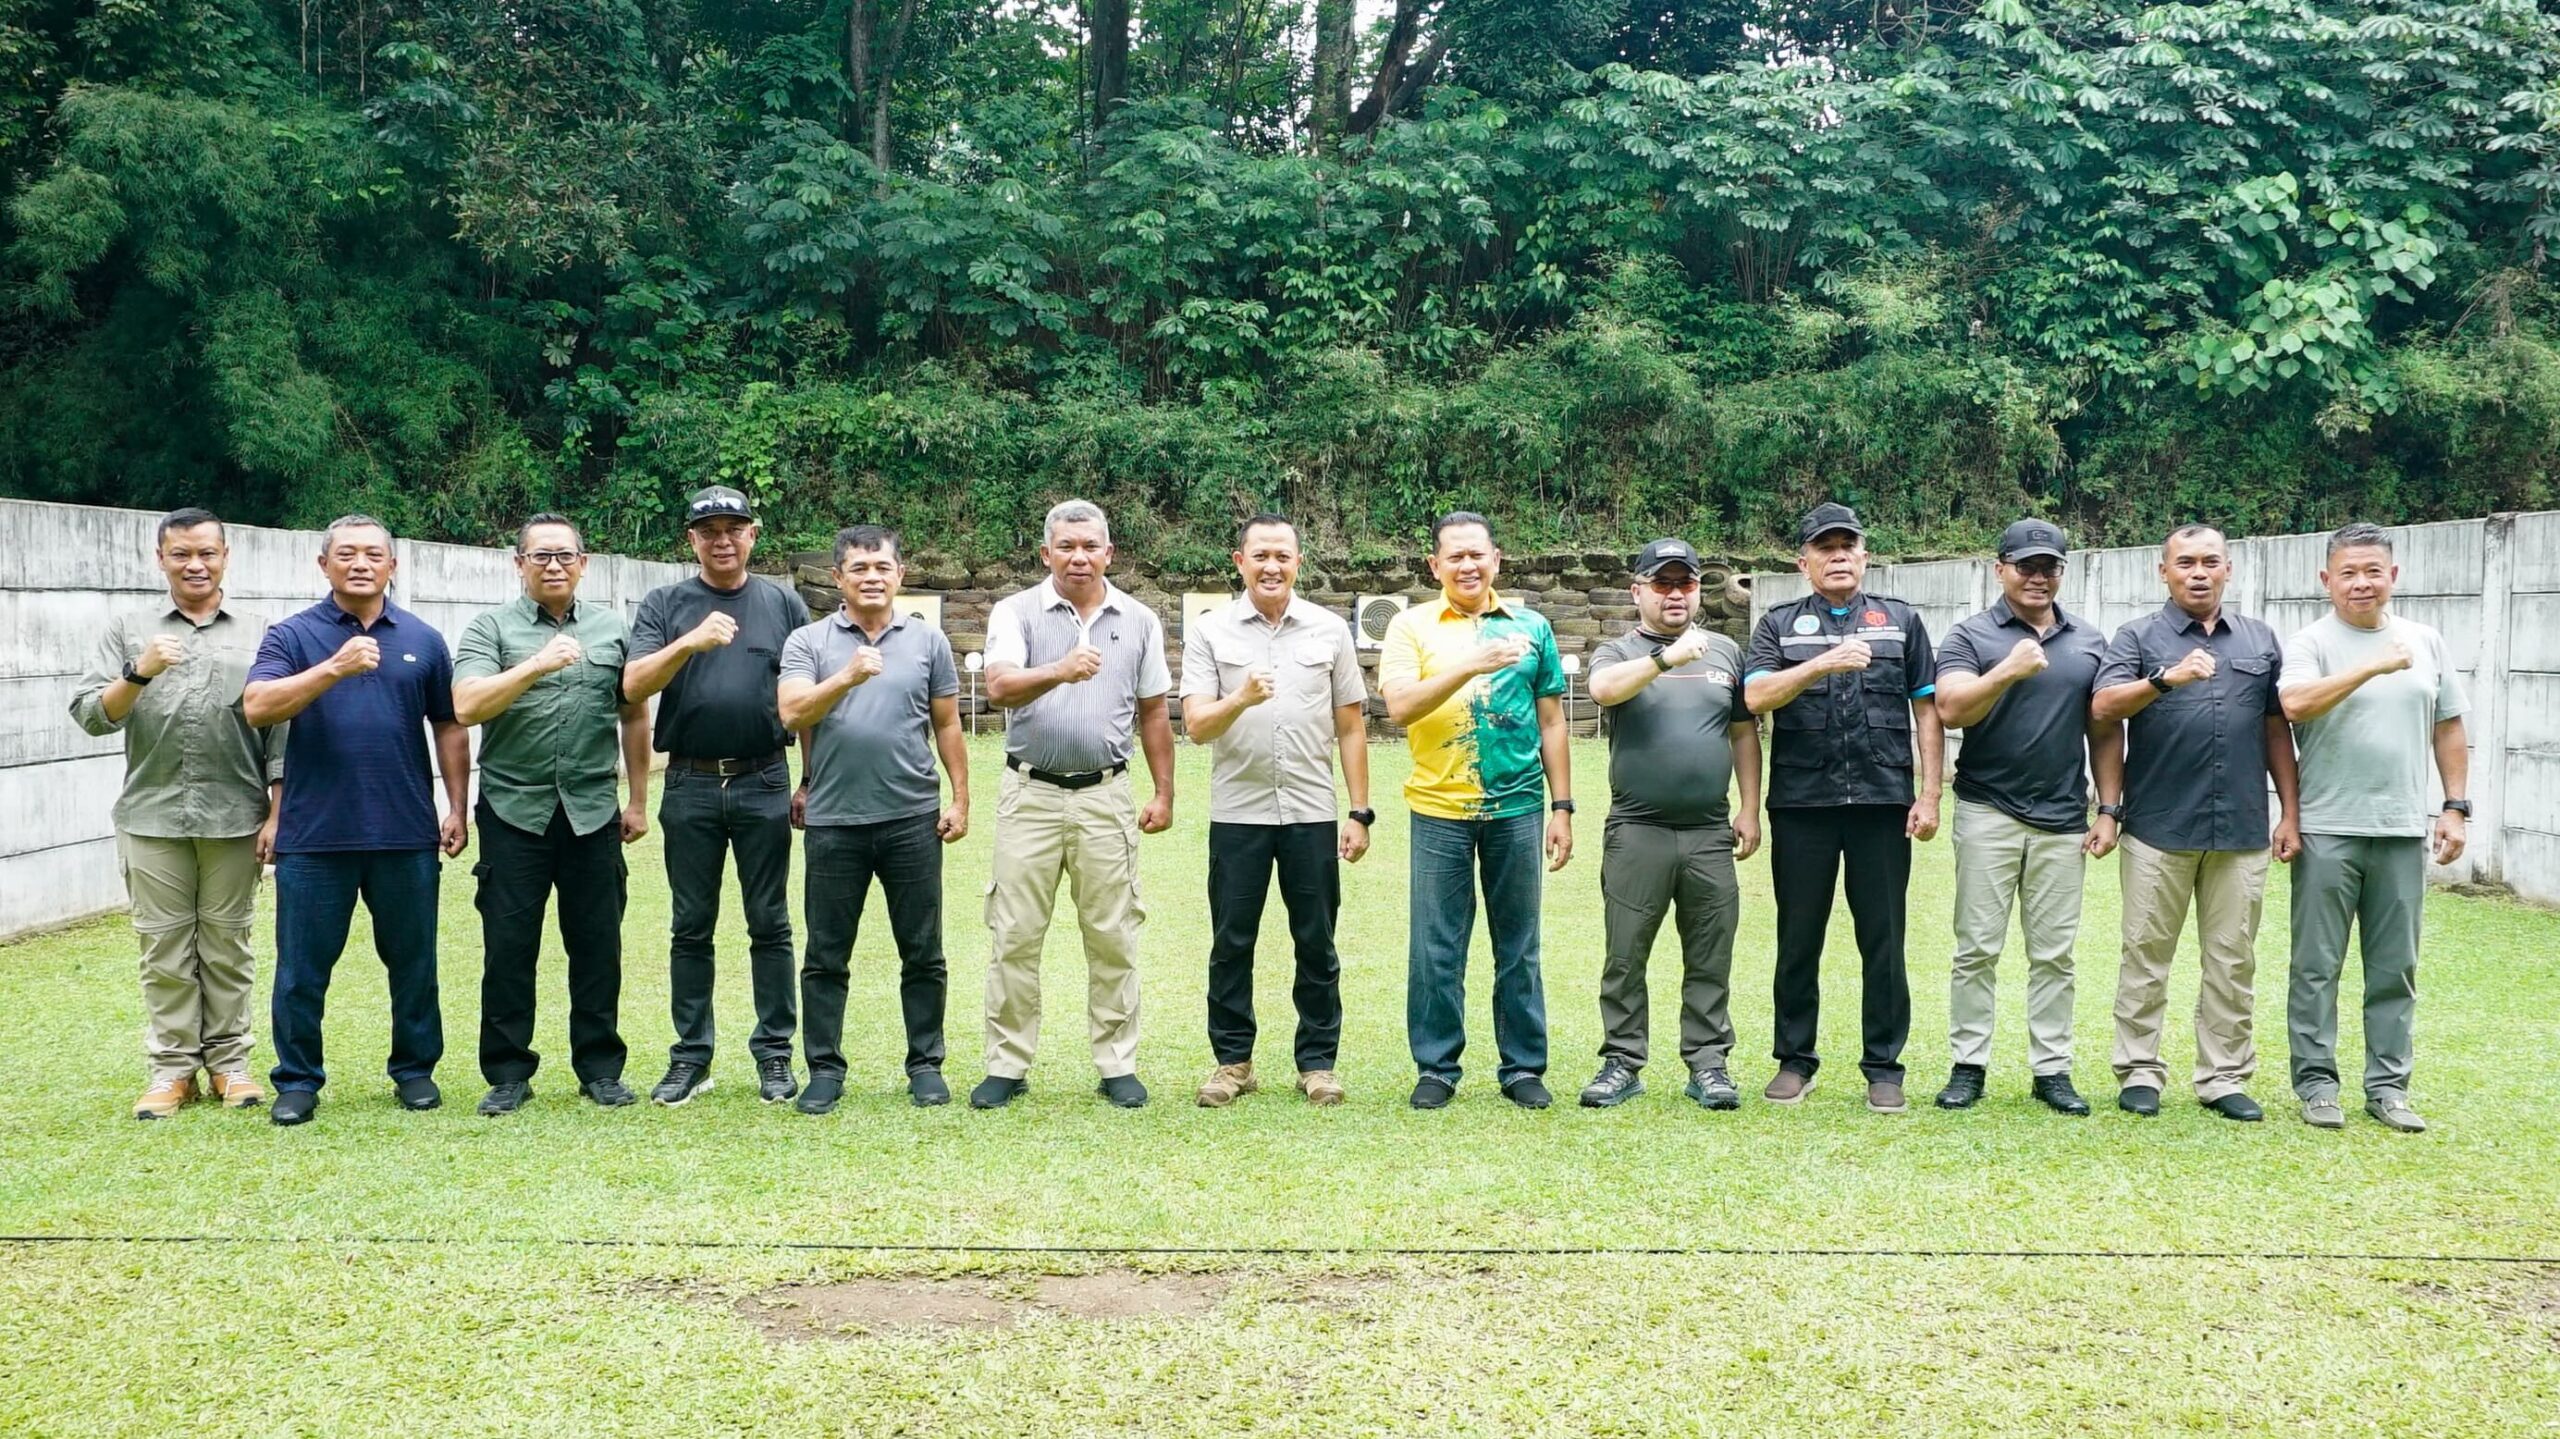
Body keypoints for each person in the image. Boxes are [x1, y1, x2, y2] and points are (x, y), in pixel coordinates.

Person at [244, 515, 470, 1127]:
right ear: (324, 565)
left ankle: (416, 1071)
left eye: (375, 554)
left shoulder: (423, 638)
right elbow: (257, 705)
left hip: (404, 833)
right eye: (346, 554)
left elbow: (448, 725)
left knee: (414, 961)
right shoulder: (292, 636)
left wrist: (456, 805)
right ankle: (297, 1081)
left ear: (393, 566)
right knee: (301, 969)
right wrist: (333, 669)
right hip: (315, 836)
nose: (361, 563)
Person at [71, 507, 285, 1119]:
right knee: (163, 948)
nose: (195, 565)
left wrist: (276, 814)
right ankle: (171, 1072)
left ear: (226, 557)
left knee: (227, 944)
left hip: (236, 815)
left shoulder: (264, 630)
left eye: (206, 553)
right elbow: (91, 715)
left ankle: (230, 1066)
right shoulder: (128, 628)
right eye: (181, 554)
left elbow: (281, 733)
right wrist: (139, 671)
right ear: (160, 559)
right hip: (151, 816)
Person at [2092, 524, 2302, 1121]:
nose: (2199, 572)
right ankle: (2138, 1070)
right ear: (2165, 571)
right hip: (2159, 826)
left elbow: (2274, 730)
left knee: (2233, 959)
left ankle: (2224, 1077)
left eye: (2211, 561)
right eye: (2185, 562)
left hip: (2240, 829)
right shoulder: (2138, 637)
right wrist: (2166, 678)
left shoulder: (2259, 640)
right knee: (2145, 954)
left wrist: (2290, 811)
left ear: (2228, 569)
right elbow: (2103, 708)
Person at [972, 499, 1177, 1109]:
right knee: (1013, 933)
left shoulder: (1139, 619)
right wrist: (1060, 670)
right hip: (1030, 793)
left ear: (1109, 553)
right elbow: (1002, 686)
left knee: (1113, 933)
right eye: (1066, 547)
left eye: (1091, 546)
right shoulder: (1016, 612)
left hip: (1106, 794)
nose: (1079, 557)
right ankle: (1007, 1063)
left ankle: (1117, 1062)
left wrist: (1163, 791)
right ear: (1046, 554)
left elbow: (1154, 711)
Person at [1743, 502, 1944, 1114]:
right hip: (1803, 804)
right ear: (1803, 562)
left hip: (1884, 803)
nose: (1837, 556)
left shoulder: (1900, 622)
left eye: (1847, 545)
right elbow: (1755, 697)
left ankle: (1884, 1067)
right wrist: (1821, 663)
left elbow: (1927, 710)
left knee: (1883, 938)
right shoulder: (1777, 626)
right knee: (1798, 937)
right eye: (1823, 547)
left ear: (1864, 554)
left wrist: (1930, 792)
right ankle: (1794, 1060)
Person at [452, 514, 651, 1116]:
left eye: (565, 555)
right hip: (514, 810)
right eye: (540, 556)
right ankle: (509, 1072)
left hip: (592, 811)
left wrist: (638, 799)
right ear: (519, 565)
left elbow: (634, 714)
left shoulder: (612, 628)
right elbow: (466, 706)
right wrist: (534, 664)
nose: (554, 565)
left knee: (597, 945)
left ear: (584, 563)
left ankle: (599, 1068)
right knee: (509, 946)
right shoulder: (491, 628)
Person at [622, 485, 813, 1107]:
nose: (722, 539)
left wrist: (809, 778)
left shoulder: (783, 603)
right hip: (690, 781)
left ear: (753, 535)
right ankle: (691, 1057)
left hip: (763, 778)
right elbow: (632, 685)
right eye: (709, 531)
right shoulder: (665, 604)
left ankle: (775, 1055)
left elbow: (807, 703)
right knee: (690, 927)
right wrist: (688, 643)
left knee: (771, 924)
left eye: (734, 528)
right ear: (692, 541)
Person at [2277, 523, 2469, 1134]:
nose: (2362, 583)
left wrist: (2455, 806)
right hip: (2328, 827)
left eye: (2373, 571)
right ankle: (2316, 1086)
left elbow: (2449, 727)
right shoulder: (2310, 642)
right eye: (2349, 573)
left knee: (2395, 967)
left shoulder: (2426, 641)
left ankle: (2388, 1088)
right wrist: (2372, 667)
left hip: (2400, 829)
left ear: (2394, 576)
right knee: (2316, 965)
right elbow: (2296, 705)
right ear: (2326, 580)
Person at [1379, 511, 1574, 1111]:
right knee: (1436, 944)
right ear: (1434, 566)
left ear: (1497, 560)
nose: (1467, 565)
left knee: (1519, 943)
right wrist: (1470, 663)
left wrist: (1561, 806)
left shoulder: (1532, 627)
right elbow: (1399, 708)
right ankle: (1437, 1067)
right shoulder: (1411, 628)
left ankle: (1522, 1068)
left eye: (1477, 555)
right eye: (1454, 557)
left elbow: (1552, 721)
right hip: (1439, 807)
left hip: (1517, 807)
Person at [1928, 519, 2123, 1117]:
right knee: (1977, 948)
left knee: (2055, 955)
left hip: (2064, 817)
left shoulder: (2090, 641)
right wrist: (2009, 668)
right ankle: (1969, 1065)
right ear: (2000, 570)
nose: (2038, 577)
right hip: (1988, 810)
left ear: (2062, 573)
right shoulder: (1971, 635)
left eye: (2050, 567)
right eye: (2025, 566)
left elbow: (2104, 730)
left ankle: (2052, 1070)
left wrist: (2109, 809)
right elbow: (1951, 708)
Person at [1178, 512, 1373, 1108]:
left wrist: (1360, 811)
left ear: (1298, 562)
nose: (1272, 566)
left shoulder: (1328, 629)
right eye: (1260, 555)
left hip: (1312, 811)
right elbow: (1195, 726)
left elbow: (1349, 724)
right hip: (1238, 812)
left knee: (1316, 939)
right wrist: (1241, 696)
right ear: (1240, 562)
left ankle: (1317, 1063)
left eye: (1282, 556)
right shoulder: (1211, 632)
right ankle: (1232, 1062)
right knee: (1231, 940)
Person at [777, 525, 969, 1114]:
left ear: (899, 574)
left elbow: (946, 724)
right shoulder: (807, 642)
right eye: (858, 567)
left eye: (882, 566)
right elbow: (792, 713)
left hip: (912, 817)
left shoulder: (928, 641)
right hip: (835, 820)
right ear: (838, 578)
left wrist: (959, 798)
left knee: (923, 950)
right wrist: (848, 676)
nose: (871, 576)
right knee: (827, 953)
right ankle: (825, 1070)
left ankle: (925, 1064)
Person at [1578, 538, 1762, 1112]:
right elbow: (1602, 692)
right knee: (1625, 952)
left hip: (1709, 830)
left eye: (1686, 583)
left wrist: (1749, 806)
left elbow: (1743, 732)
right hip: (1638, 827)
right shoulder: (1617, 651)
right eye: (1663, 583)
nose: (1677, 593)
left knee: (1711, 950)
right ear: (1638, 592)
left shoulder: (1727, 652)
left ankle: (1708, 1062)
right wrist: (1666, 659)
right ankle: (1622, 1062)